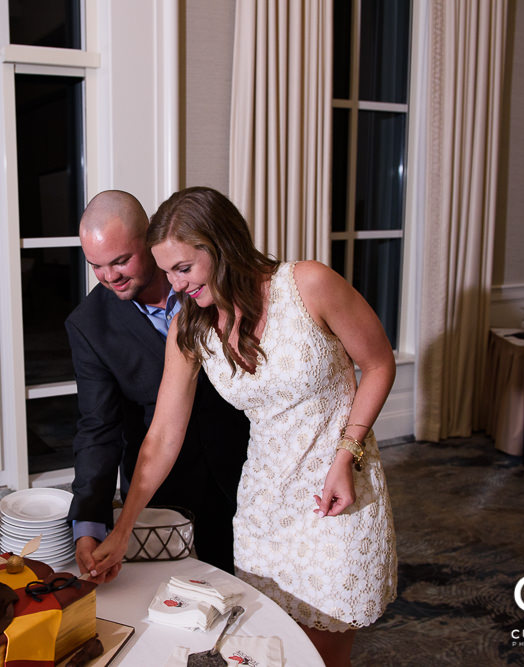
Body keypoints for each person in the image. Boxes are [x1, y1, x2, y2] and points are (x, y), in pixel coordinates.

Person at [90, 187, 398, 667]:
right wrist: (123, 529)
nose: (174, 286)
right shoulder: (190, 328)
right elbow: (163, 437)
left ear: (221, 246)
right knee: (269, 649)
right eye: (167, 272)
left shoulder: (308, 284)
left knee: (324, 654)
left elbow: (378, 364)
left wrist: (347, 454)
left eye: (183, 269)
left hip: (335, 490)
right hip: (262, 505)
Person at [65, 190, 250, 583]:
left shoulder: (205, 278)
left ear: (148, 239)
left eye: (120, 260)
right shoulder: (89, 325)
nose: (109, 276)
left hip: (248, 459)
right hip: (165, 481)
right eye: (96, 265)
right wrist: (90, 523)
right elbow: (98, 428)